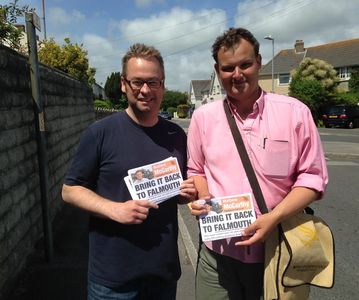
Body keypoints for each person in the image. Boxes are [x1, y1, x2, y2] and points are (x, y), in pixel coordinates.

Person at [187, 28, 328, 300]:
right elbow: (196, 171)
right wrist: (203, 198)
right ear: (217, 70)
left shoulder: (295, 113)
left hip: (276, 250)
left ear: (259, 62)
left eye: (245, 64)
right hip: (217, 254)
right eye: (228, 68)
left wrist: (274, 217)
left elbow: (312, 179)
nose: (237, 74)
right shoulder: (202, 118)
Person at [62, 43, 196, 300]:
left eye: (153, 82)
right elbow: (70, 190)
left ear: (162, 85)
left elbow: (175, 192)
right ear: (124, 84)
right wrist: (114, 209)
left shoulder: (176, 134)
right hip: (112, 281)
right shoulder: (100, 133)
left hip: (163, 274)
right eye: (137, 82)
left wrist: (184, 194)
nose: (145, 90)